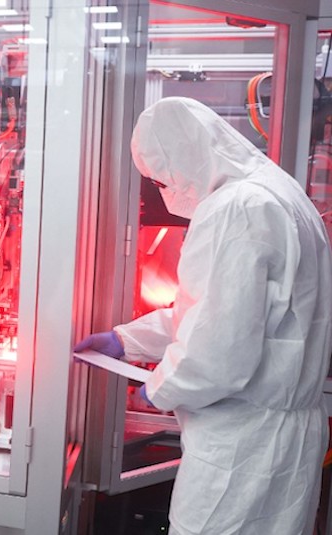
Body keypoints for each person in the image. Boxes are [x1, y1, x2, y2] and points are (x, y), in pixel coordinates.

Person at [76, 97, 332, 535]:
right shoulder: (277, 191)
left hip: (240, 446)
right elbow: (223, 311)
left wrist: (159, 389)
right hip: (283, 435)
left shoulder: (235, 209)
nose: (163, 191)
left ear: (186, 159)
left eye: (161, 179)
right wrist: (126, 340)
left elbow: (218, 353)